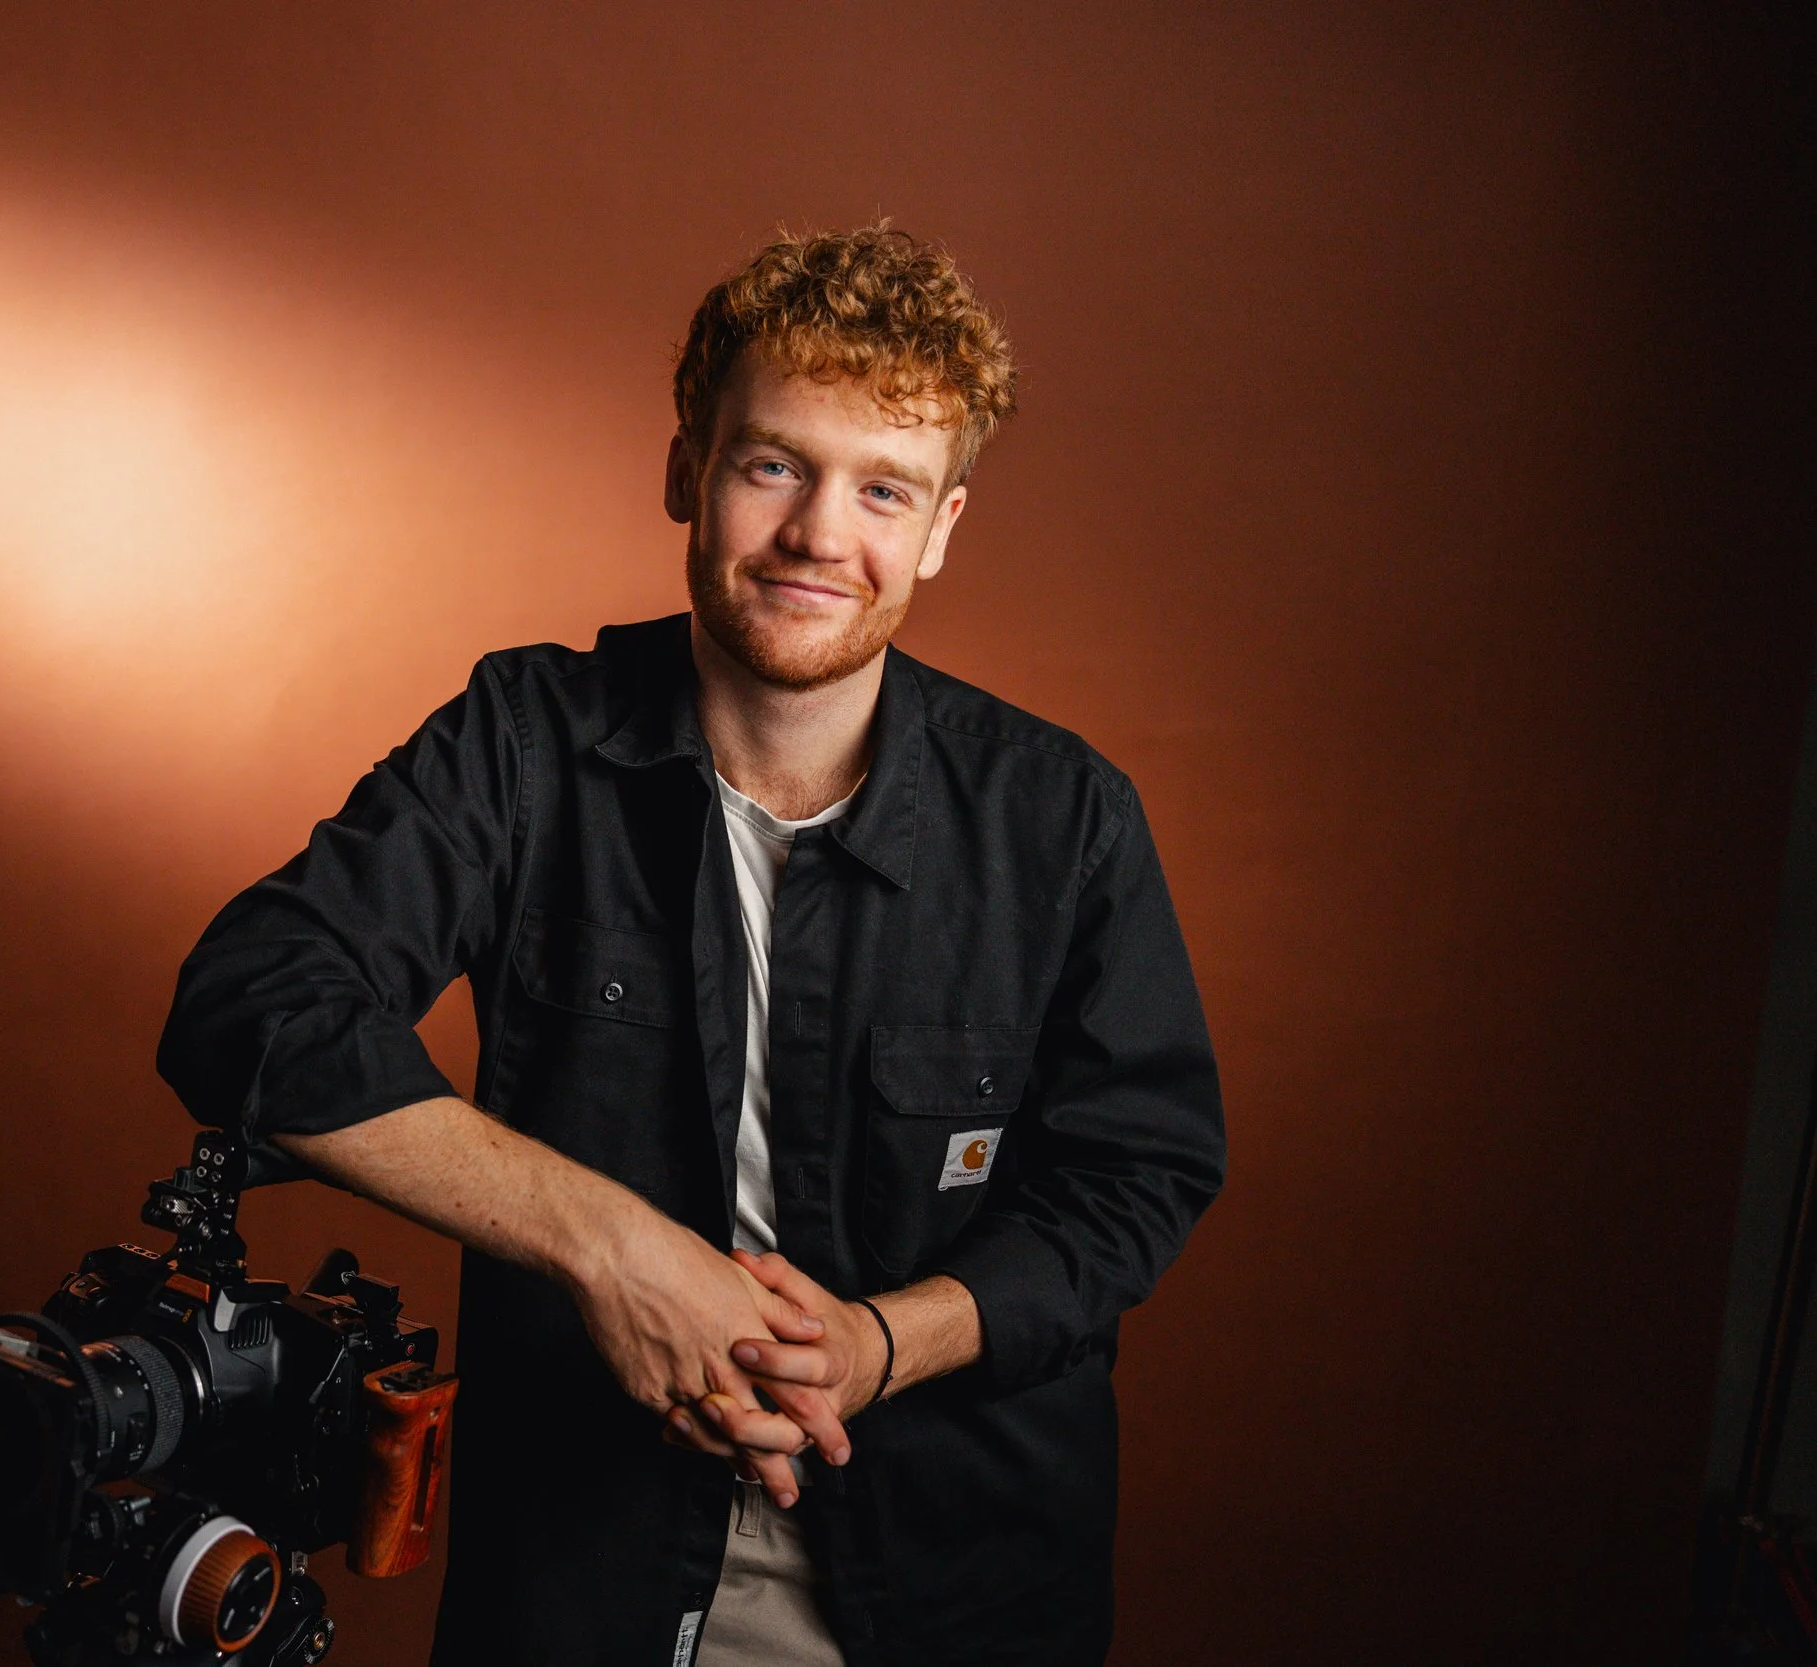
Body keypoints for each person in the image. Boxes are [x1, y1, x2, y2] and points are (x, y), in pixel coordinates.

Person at [158, 224, 1226, 1667]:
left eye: (883, 489)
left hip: (963, 1593)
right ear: (687, 469)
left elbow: (1135, 1172)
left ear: (944, 526)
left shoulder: (1066, 817)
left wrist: (880, 1340)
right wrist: (618, 1253)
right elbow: (248, 1000)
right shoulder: (523, 742)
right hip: (583, 1591)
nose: (818, 537)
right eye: (772, 463)